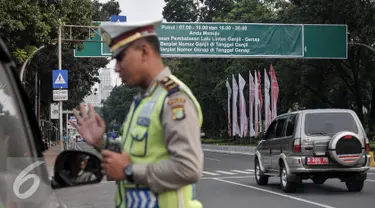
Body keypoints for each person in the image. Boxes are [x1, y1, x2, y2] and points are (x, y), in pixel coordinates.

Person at [69, 18, 204, 208]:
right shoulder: (144, 100)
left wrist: (129, 171)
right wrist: (102, 142)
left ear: (144, 51)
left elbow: (188, 168)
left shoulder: (173, 99)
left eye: (120, 57)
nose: (116, 68)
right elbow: (134, 153)